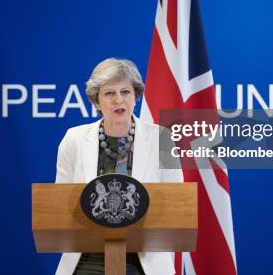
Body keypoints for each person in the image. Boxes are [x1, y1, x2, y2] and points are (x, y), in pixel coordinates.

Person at [55, 58, 183, 275]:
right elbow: (59, 204)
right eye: (109, 93)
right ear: (96, 101)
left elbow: (176, 203)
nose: (118, 100)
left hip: (144, 261)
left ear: (136, 97)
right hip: (87, 259)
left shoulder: (163, 138)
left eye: (125, 92)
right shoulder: (74, 139)